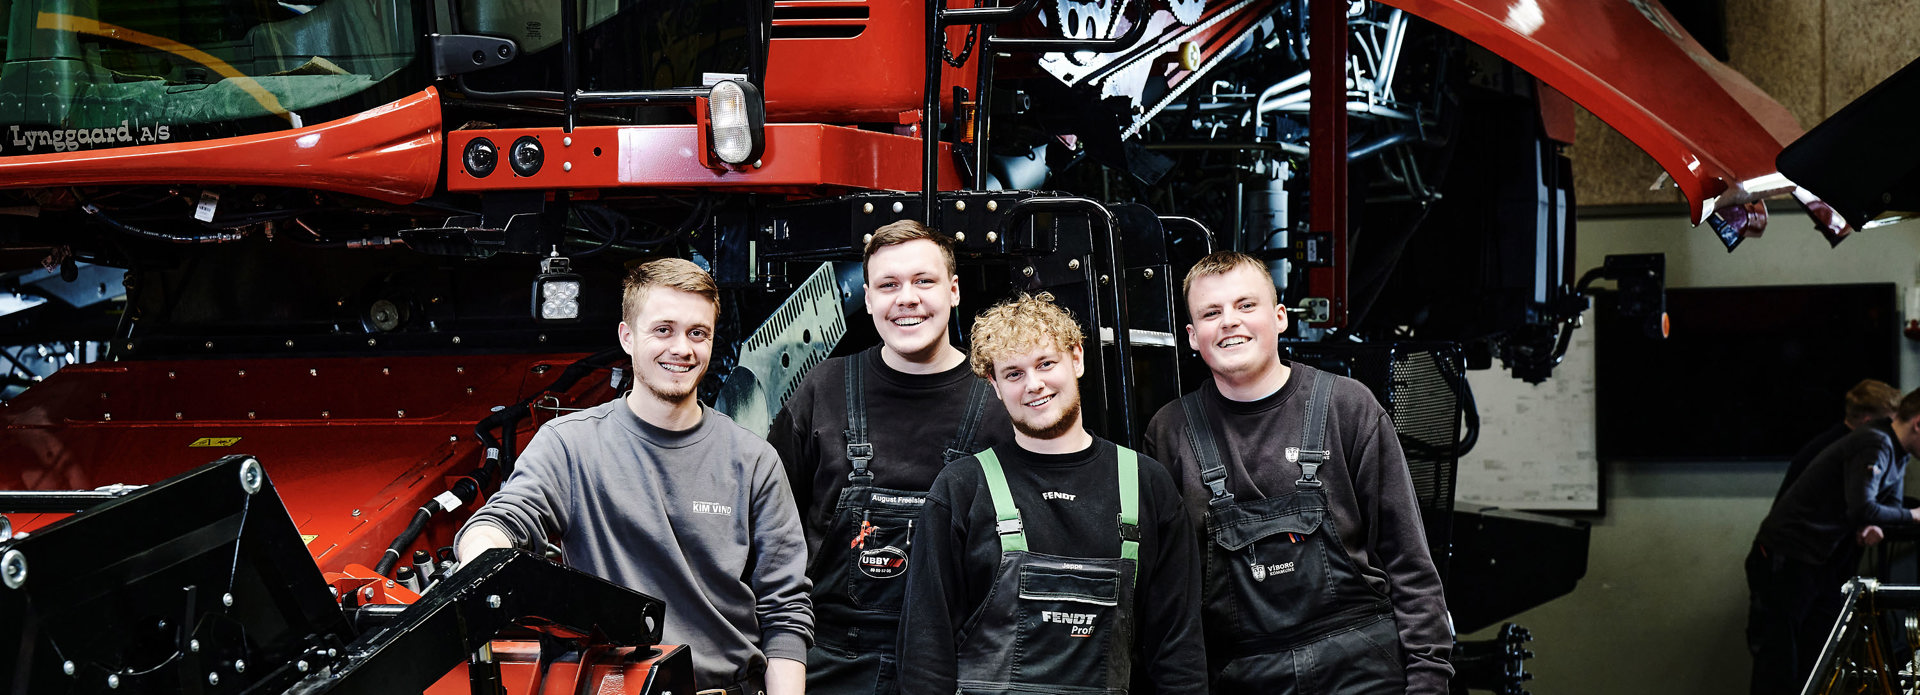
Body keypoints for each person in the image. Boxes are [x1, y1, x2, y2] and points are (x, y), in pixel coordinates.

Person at [454, 258, 812, 695]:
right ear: (627, 337)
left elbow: (785, 610)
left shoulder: (753, 460)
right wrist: (482, 557)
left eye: (697, 333)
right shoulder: (571, 446)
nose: (681, 348)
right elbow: (507, 518)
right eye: (663, 330)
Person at [1142, 251, 1452, 694]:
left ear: (1280, 317)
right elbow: (1171, 600)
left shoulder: (1348, 407)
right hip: (1243, 677)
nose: (1229, 321)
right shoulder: (1170, 432)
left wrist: (1428, 680)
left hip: (1361, 667)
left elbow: (1409, 563)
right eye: (1211, 313)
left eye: (1246, 305)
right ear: (1192, 336)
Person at [897, 293, 1206, 694]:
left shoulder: (1147, 485)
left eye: (1045, 363)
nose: (1034, 384)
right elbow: (925, 650)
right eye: (1013, 373)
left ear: (1076, 358)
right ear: (994, 385)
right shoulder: (963, 488)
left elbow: (1178, 650)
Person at [768, 220, 1014, 694]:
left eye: (924, 281)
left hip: (957, 667)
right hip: (830, 665)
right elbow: (770, 539)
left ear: (954, 291)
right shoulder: (824, 389)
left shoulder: (1000, 402)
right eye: (888, 285)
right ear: (867, 299)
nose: (907, 298)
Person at [1748, 389, 1920, 695]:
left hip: (1820, 561)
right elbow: (1863, 508)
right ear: (1918, 424)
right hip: (1789, 555)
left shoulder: (1899, 451)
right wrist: (1912, 516)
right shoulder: (1875, 441)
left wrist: (1877, 522)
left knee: (1819, 656)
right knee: (1779, 659)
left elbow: (1884, 508)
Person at [1773, 379, 1900, 502]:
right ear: (1868, 422)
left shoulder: (1830, 442)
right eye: (1891, 423)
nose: (1895, 430)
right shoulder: (1849, 451)